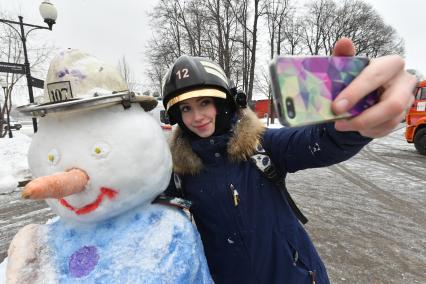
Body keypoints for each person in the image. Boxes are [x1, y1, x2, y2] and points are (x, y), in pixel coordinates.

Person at [160, 38, 416, 284]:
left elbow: (321, 141)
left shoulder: (261, 146)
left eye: (204, 102)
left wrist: (354, 122)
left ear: (224, 103)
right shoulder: (177, 171)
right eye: (186, 108)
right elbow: (140, 208)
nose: (197, 117)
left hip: (296, 276)